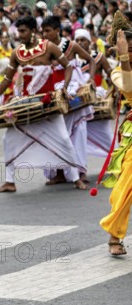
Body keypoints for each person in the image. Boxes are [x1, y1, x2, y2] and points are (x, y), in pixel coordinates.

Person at [0, 16, 87, 193]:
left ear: (33, 30)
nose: (20, 35)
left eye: (23, 31)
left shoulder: (49, 47)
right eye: (18, 31)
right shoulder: (16, 53)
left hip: (47, 103)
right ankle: (9, 181)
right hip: (27, 105)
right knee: (8, 140)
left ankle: (75, 178)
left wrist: (63, 88)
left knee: (64, 139)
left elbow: (68, 67)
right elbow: (7, 80)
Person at [42, 16, 95, 186]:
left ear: (57, 31)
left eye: (48, 31)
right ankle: (58, 172)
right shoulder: (45, 49)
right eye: (43, 31)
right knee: (56, 133)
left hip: (73, 90)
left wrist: (90, 79)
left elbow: (91, 60)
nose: (45, 34)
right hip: (54, 91)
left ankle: (80, 171)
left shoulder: (72, 46)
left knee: (78, 133)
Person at [100, 18, 132, 256]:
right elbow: (130, 87)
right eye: (128, 49)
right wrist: (123, 58)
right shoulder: (118, 72)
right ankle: (115, 235)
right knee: (127, 186)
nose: (130, 53)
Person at [75, 28, 114, 160]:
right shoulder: (72, 61)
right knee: (78, 134)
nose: (80, 43)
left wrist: (112, 92)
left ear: (89, 42)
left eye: (83, 40)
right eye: (77, 40)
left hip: (97, 98)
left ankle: (118, 160)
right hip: (79, 102)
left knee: (104, 132)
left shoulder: (98, 57)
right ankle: (78, 169)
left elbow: (112, 76)